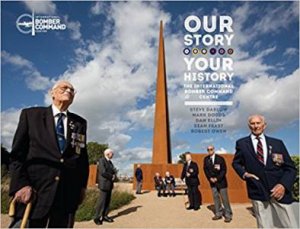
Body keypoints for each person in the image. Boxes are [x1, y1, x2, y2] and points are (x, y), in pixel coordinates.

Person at [8, 80, 89, 228]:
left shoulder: (79, 123)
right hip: (34, 192)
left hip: (66, 194)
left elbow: (82, 159)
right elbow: (17, 155)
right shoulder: (31, 115)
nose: (69, 91)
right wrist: (20, 185)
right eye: (64, 88)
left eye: (72, 90)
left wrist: (82, 187)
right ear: (52, 93)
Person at [232, 114, 298, 228]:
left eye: (258, 123)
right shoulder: (242, 144)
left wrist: (283, 185)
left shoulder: (278, 143)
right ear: (249, 126)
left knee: (290, 225)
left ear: (264, 125)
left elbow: (290, 168)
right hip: (257, 189)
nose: (256, 126)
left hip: (279, 192)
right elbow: (236, 163)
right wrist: (245, 174)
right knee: (264, 225)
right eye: (252, 123)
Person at [203, 145, 232, 223]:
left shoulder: (220, 159)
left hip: (221, 182)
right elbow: (205, 170)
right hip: (212, 183)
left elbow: (224, 170)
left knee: (224, 199)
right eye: (208, 149)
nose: (210, 151)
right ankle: (218, 213)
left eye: (211, 149)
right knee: (216, 198)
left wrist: (217, 178)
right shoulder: (206, 159)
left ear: (214, 150)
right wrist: (210, 178)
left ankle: (228, 215)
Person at [94, 148, 117, 225]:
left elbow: (113, 171)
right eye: (112, 153)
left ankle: (105, 216)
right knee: (102, 202)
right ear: (107, 154)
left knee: (107, 201)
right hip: (104, 184)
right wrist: (112, 177)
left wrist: (114, 175)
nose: (112, 155)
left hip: (109, 184)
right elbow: (103, 172)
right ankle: (97, 217)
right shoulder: (102, 160)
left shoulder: (110, 162)